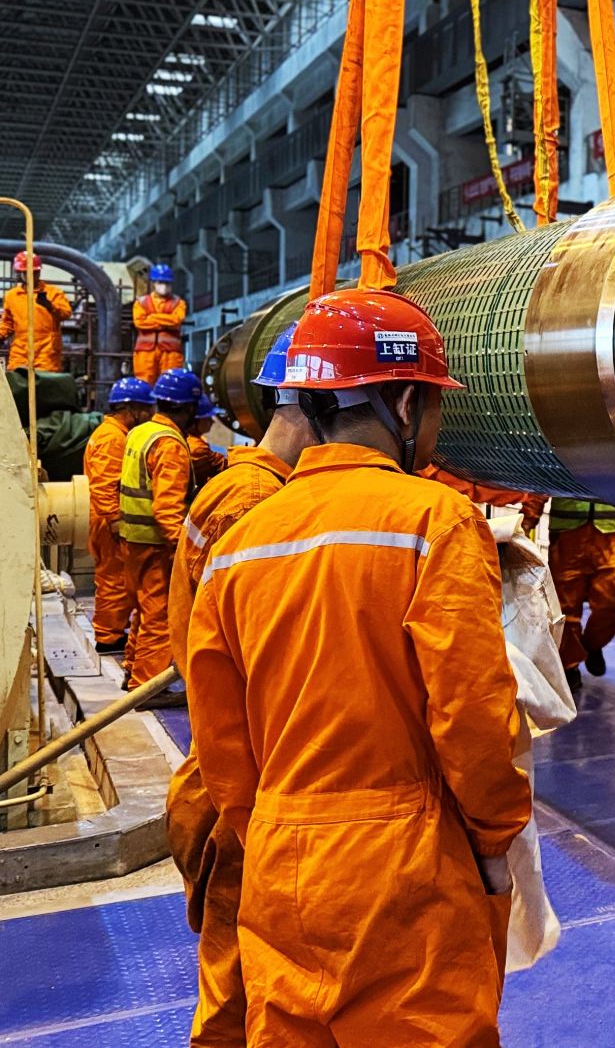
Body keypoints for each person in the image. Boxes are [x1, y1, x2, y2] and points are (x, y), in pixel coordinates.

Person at [186, 288, 530, 1043]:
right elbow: (473, 713)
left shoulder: (240, 543)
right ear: (403, 403)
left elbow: (219, 742)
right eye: (434, 404)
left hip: (278, 861)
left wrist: (272, 829)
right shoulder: (434, 521)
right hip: (404, 864)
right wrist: (495, 837)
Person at [165, 325, 316, 1047]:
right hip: (241, 786)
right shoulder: (256, 503)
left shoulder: (240, 483)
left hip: (226, 772)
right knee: (238, 987)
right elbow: (264, 657)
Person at [115, 366, 201, 697]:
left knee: (143, 611)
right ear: (188, 407)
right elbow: (167, 509)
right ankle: (146, 687)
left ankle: (133, 669)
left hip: (132, 540)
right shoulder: (170, 444)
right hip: (155, 546)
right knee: (159, 617)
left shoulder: (141, 432)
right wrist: (185, 550)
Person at [85, 376, 155, 654]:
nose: (149, 415)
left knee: (115, 579)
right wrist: (115, 520)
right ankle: (108, 637)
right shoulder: (112, 438)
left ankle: (111, 630)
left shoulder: (112, 433)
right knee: (113, 580)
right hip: (108, 521)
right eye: (146, 409)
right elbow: (104, 485)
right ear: (131, 409)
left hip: (106, 518)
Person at [547, 498, 615, 684]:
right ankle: (569, 666)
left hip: (610, 533)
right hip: (567, 534)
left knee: (612, 604)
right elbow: (541, 483)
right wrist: (527, 520)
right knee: (565, 608)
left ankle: (591, 645)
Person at [3, 252, 70, 373]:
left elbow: (66, 313)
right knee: (18, 382)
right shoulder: (12, 296)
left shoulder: (53, 293)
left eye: (34, 272)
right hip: (21, 353)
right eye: (26, 272)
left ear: (39, 272)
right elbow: (7, 323)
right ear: (20, 273)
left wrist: (50, 306)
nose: (31, 276)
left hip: (46, 353)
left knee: (44, 383)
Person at [133, 261, 187, 382]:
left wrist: (152, 317)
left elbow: (176, 320)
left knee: (170, 382)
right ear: (153, 283)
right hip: (145, 352)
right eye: (160, 282)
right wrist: (166, 321)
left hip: (171, 352)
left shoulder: (179, 303)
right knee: (145, 383)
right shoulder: (141, 302)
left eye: (167, 283)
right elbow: (139, 322)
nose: (164, 286)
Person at [184, 394, 226, 491]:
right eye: (208, 418)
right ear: (194, 421)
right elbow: (220, 466)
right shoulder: (197, 448)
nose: (212, 422)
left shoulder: (192, 438)